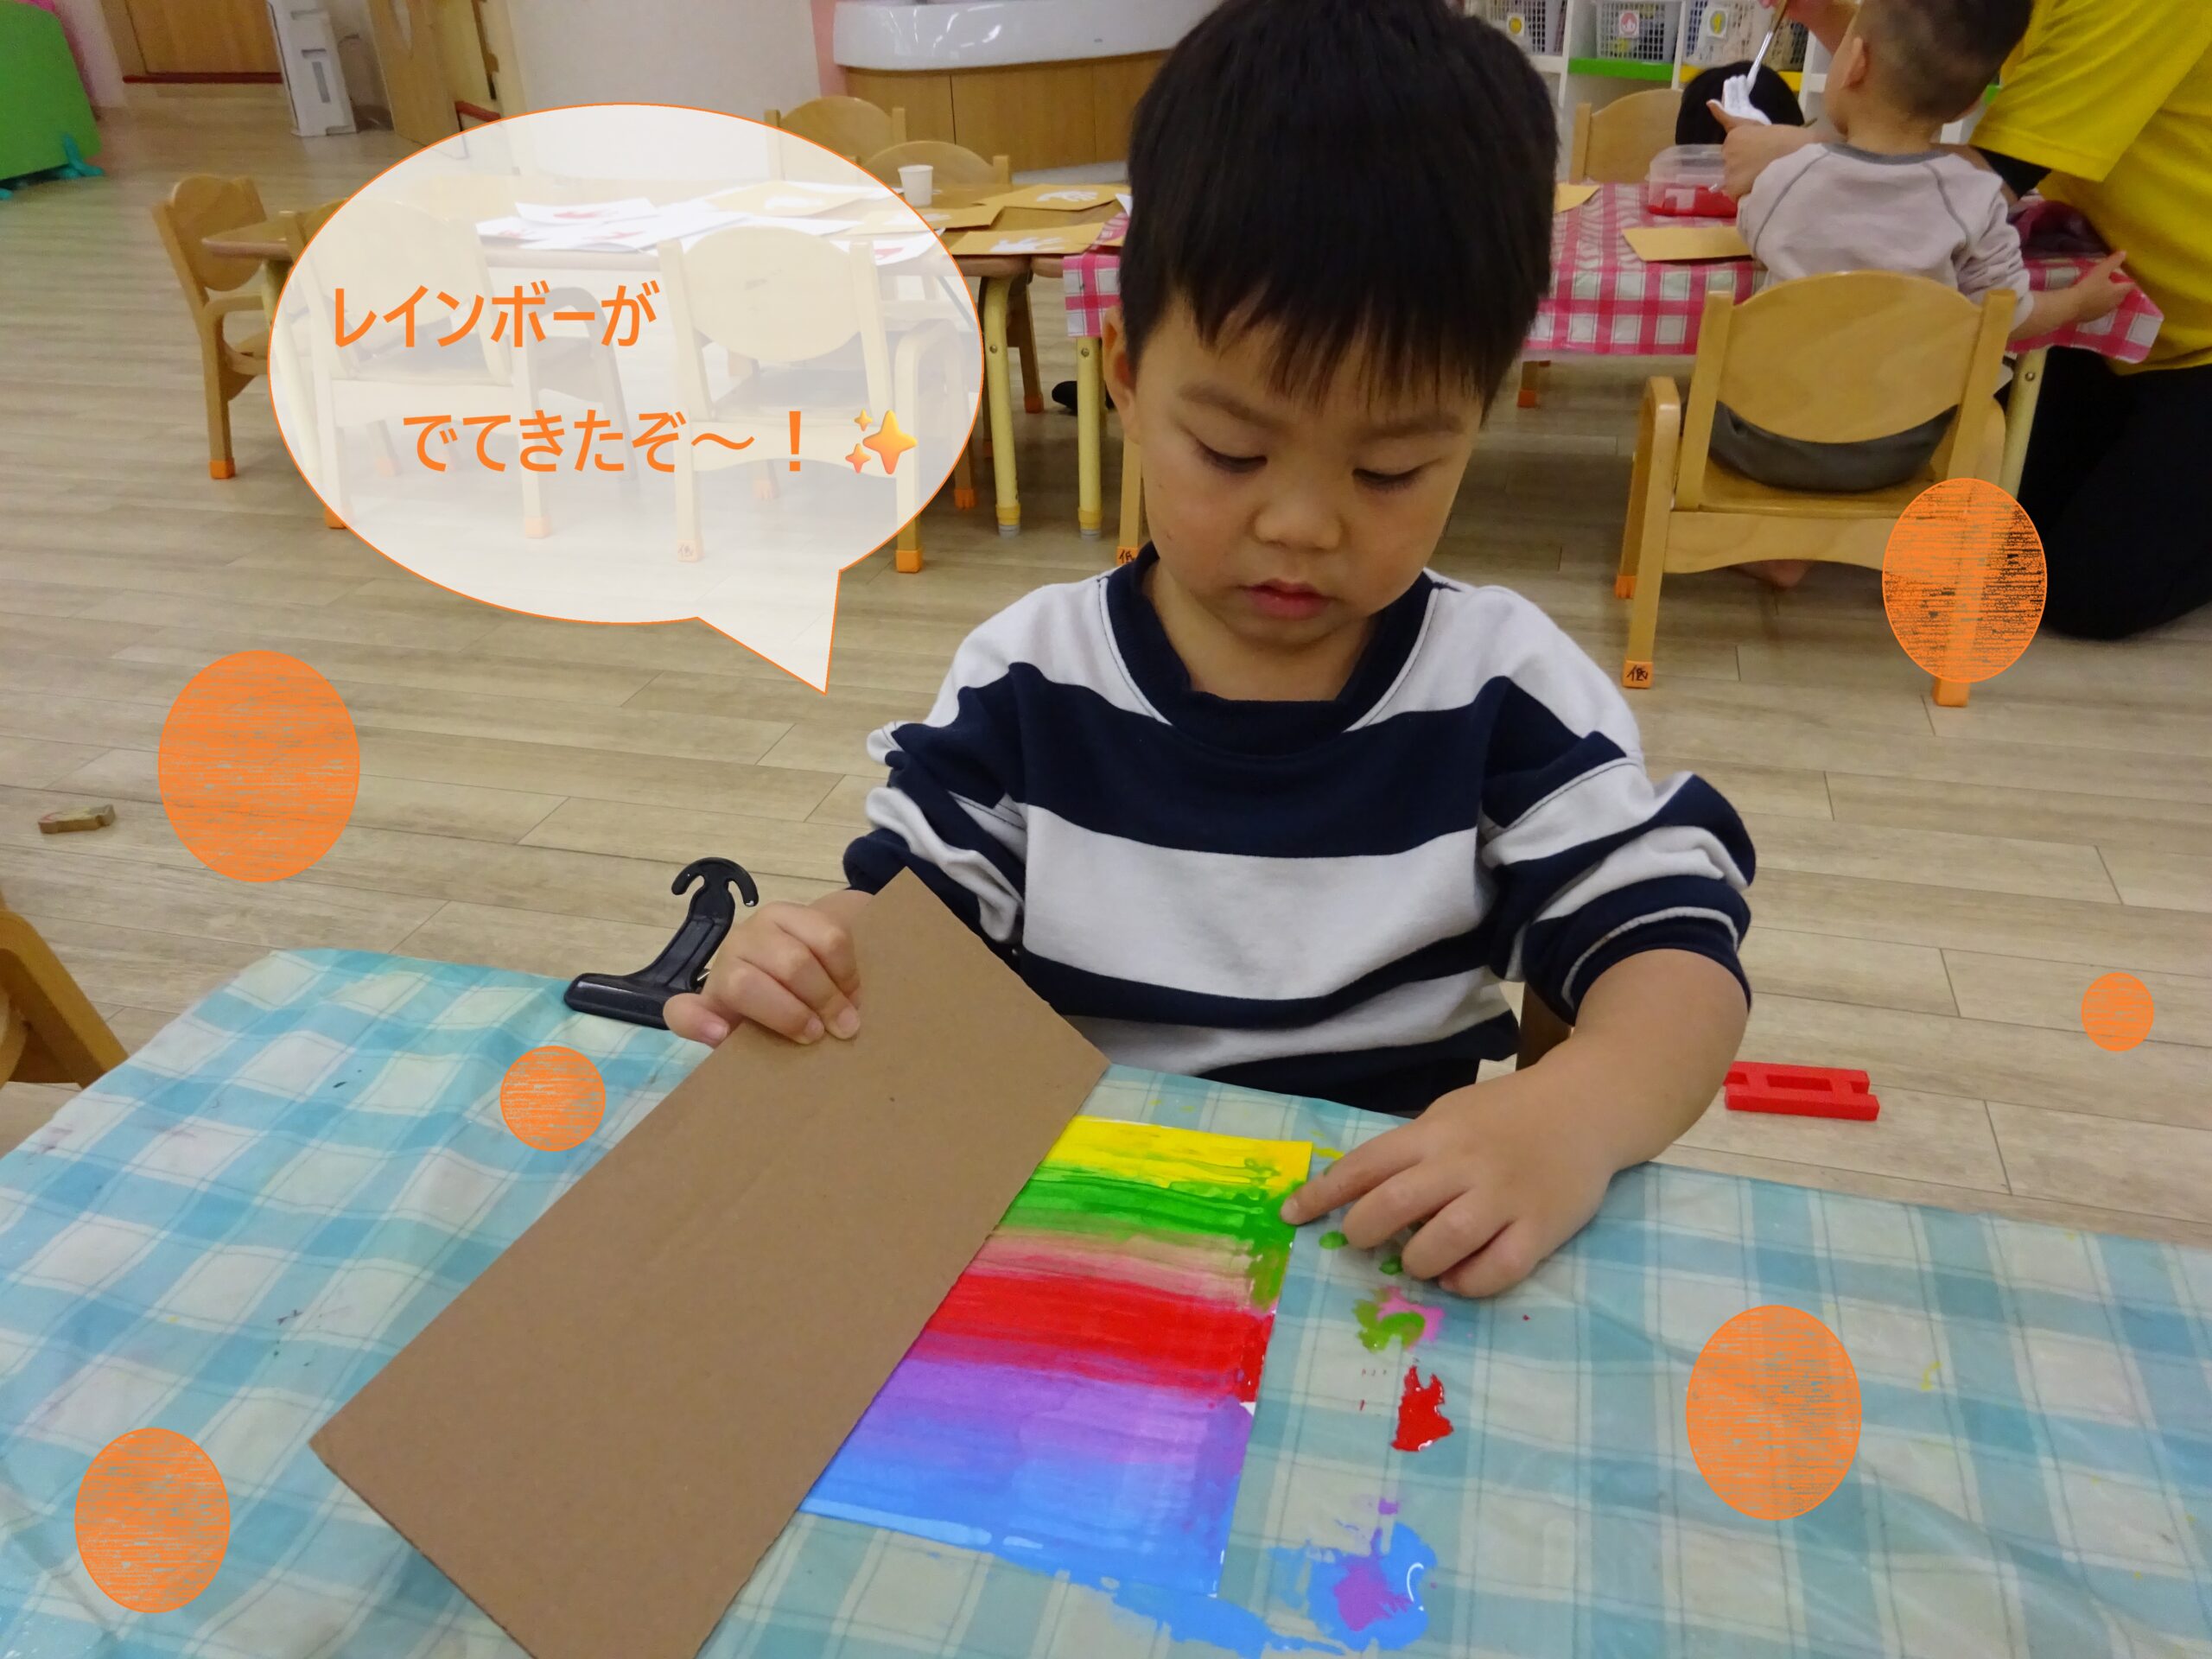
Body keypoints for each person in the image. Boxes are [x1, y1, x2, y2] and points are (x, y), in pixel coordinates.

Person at [666, 0, 1757, 1302]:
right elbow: (911, 933)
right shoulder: (1032, 679)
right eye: (1231, 452)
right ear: (1125, 377)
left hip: (1374, 1239)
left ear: (1477, 417)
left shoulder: (1499, 689)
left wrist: (1573, 1113)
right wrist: (808, 955)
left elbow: (1673, 957)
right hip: (1066, 1221)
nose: (1301, 525)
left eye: (1390, 468)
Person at [1719, 0, 2212, 638]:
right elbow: (1920, 70)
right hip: (2112, 319)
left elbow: (1981, 179)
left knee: (2089, 592)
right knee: (1983, 527)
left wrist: (1799, 150)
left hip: (2188, 331)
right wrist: (1829, 20)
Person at [1708, 0, 2131, 523]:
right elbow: (2009, 314)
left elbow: (1753, 230)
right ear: (1969, 104)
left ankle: (1775, 545)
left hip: (1764, 439)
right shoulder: (1976, 200)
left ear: (1854, 62)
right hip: (1899, 448)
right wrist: (2078, 303)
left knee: (1688, 397)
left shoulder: (1787, 177)